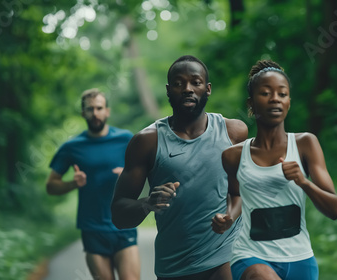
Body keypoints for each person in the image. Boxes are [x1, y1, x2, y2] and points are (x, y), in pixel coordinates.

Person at [111, 55, 248, 280]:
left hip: (226, 256)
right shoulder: (147, 142)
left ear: (208, 88)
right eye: (178, 83)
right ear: (168, 90)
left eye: (196, 82)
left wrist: (231, 217)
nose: (187, 89)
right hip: (175, 267)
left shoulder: (234, 132)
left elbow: (242, 191)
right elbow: (118, 215)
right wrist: (148, 203)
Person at [211, 60, 337, 280]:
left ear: (289, 101)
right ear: (251, 103)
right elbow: (236, 196)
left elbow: (333, 209)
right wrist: (229, 217)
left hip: (300, 259)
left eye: (282, 94)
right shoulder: (233, 156)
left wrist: (303, 181)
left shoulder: (306, 144)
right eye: (266, 93)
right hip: (251, 256)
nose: (275, 99)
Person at [46, 88, 140, 280]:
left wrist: (129, 175)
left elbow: (148, 173)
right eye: (90, 109)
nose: (95, 113)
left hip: (124, 223)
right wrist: (73, 183)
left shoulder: (126, 139)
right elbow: (51, 186)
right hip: (92, 228)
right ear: (83, 113)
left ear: (107, 111)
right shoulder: (72, 147)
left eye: (99, 108)